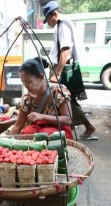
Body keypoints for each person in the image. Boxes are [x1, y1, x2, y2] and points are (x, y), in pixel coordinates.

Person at [42, 1, 97, 140]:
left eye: (48, 19)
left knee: (66, 99)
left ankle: (88, 126)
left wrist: (58, 73)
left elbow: (65, 50)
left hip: (64, 69)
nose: (48, 22)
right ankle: (69, 125)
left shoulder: (63, 25)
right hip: (62, 67)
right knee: (65, 99)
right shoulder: (62, 25)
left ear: (54, 14)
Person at [10, 57, 73, 140]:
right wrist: (7, 143)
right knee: (28, 132)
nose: (26, 86)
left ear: (41, 77)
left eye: (29, 82)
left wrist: (43, 117)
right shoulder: (26, 99)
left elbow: (68, 119)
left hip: (58, 133)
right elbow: (18, 126)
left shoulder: (58, 91)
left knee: (48, 133)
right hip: (38, 133)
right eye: (23, 82)